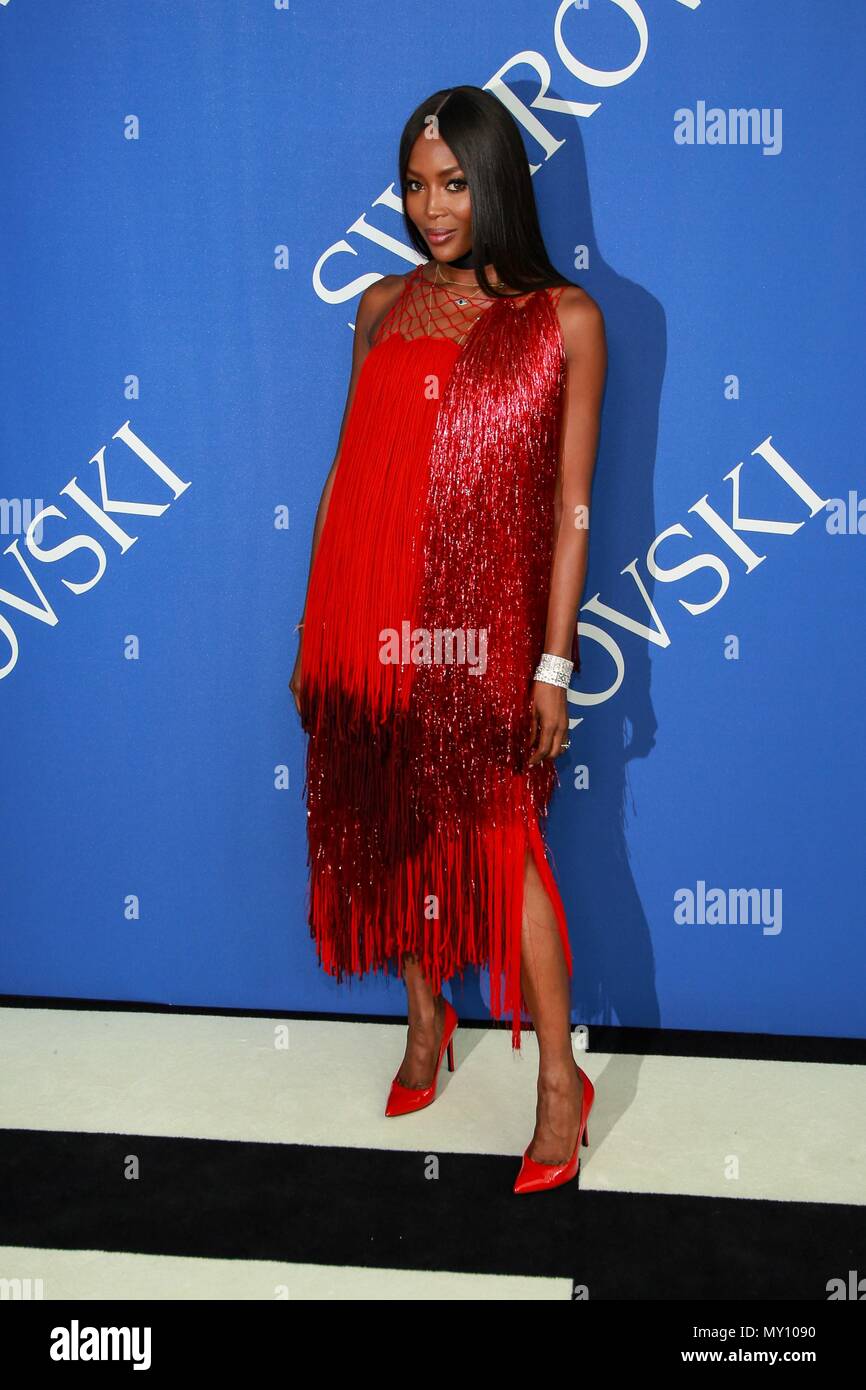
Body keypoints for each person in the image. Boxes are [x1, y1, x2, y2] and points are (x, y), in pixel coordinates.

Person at [290, 86, 607, 1193]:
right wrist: (312, 629)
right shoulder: (379, 305)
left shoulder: (562, 319)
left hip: (480, 633)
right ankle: (427, 1024)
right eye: (416, 185)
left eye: (453, 183)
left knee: (504, 845)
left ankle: (559, 1084)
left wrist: (550, 665)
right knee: (392, 820)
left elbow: (572, 506)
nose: (431, 207)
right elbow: (342, 474)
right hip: (362, 620)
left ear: (496, 181)